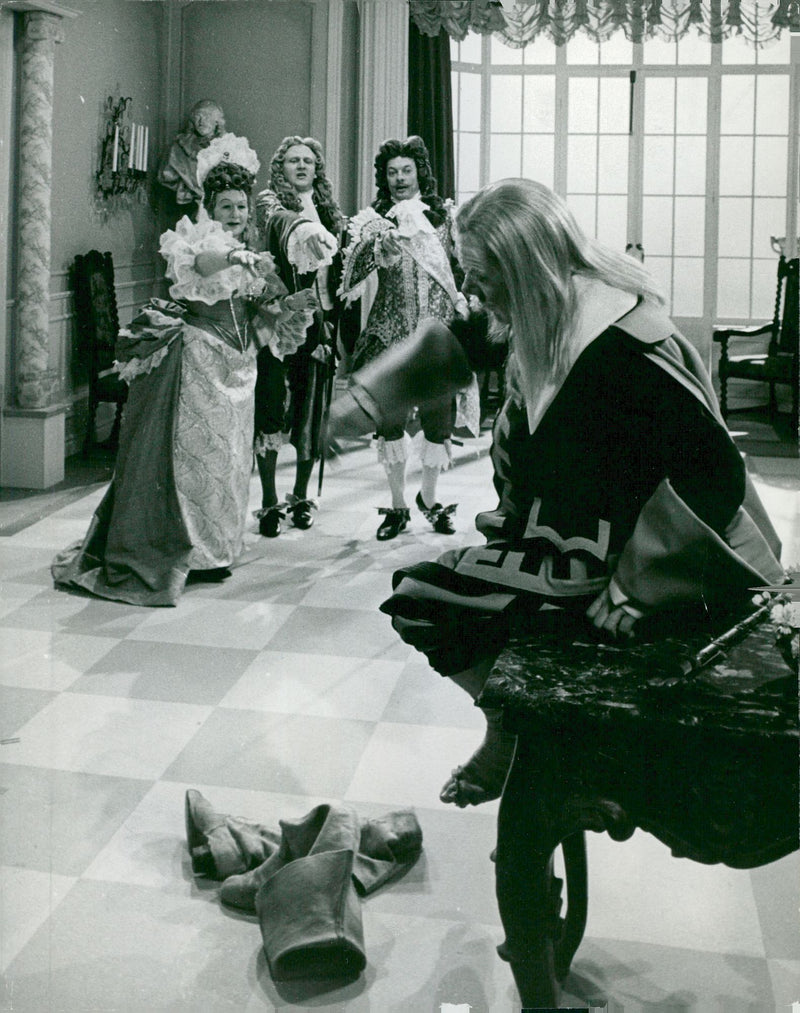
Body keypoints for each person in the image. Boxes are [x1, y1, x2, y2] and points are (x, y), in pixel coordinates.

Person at [328, 177, 786, 806]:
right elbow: (462, 341)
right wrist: (369, 397)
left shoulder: (621, 348)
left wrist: (637, 587)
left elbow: (714, 475)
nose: (470, 289)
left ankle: (533, 740)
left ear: (524, 270)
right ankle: (515, 732)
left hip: (645, 565)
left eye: (481, 274)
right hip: (578, 538)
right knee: (427, 599)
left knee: (426, 599)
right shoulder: (549, 307)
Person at [52, 133, 315, 606]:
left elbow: (256, 310)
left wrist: (286, 302)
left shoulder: (250, 251)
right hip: (197, 362)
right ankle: (189, 551)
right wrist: (237, 255)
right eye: (227, 206)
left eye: (241, 207)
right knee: (199, 459)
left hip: (239, 366)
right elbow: (205, 263)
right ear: (210, 206)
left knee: (232, 459)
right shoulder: (195, 241)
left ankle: (219, 549)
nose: (235, 215)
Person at [338, 136, 476, 541]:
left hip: (436, 336)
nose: (399, 178)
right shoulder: (374, 221)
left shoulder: (445, 218)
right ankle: (397, 505)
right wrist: (376, 246)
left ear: (420, 174)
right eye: (392, 172)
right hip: (390, 336)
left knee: (439, 423)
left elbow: (464, 265)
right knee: (390, 425)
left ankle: (429, 500)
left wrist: (466, 301)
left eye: (406, 171)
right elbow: (350, 280)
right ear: (384, 177)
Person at [252, 136, 346, 536]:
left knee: (311, 409)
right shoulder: (269, 203)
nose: (302, 166)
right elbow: (279, 223)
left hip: (319, 324)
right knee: (271, 405)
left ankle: (301, 496)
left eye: (308, 161)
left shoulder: (329, 210)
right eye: (294, 160)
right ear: (282, 167)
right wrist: (305, 227)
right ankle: (269, 501)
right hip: (277, 321)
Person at [158, 99, 226, 216]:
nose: (201, 121)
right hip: (188, 210)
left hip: (221, 212)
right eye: (197, 116)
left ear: (217, 121)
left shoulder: (229, 146)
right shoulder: (178, 148)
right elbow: (165, 176)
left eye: (207, 116)